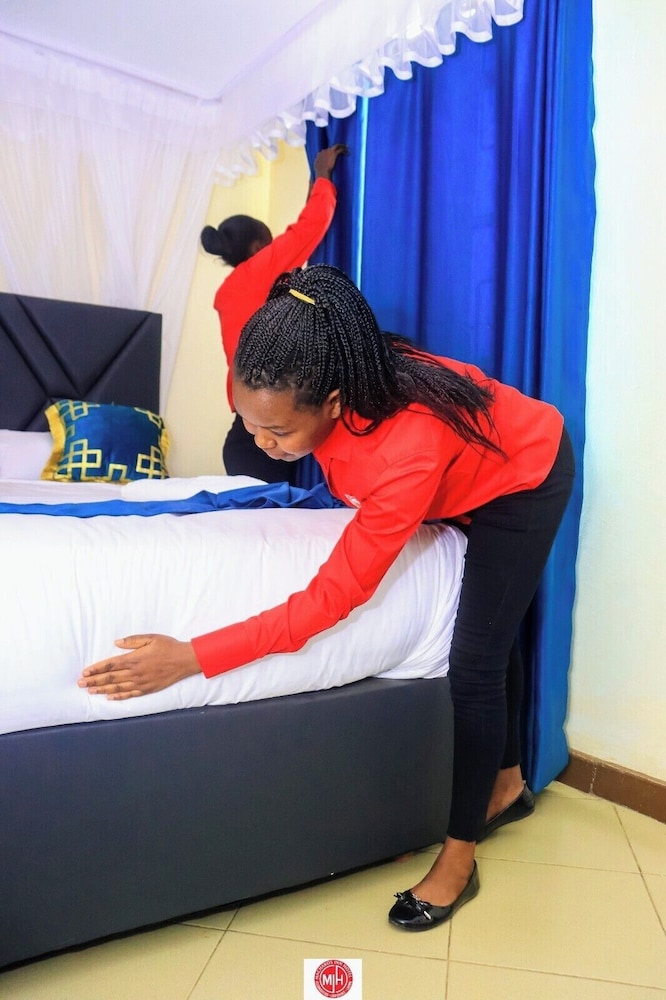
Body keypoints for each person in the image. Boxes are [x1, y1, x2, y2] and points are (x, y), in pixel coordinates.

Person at [78, 264, 575, 930]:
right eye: (249, 421)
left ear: (335, 402)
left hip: (522, 476)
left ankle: (460, 860)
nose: (261, 441)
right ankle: (507, 783)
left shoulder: (406, 446)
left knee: (477, 663)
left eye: (278, 433)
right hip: (458, 468)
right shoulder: (313, 372)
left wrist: (192, 656)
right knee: (495, 618)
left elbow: (328, 600)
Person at [200, 144, 348, 483]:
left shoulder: (228, 291)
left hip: (247, 434)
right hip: (266, 434)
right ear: (258, 246)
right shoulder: (259, 269)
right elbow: (308, 229)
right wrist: (323, 176)